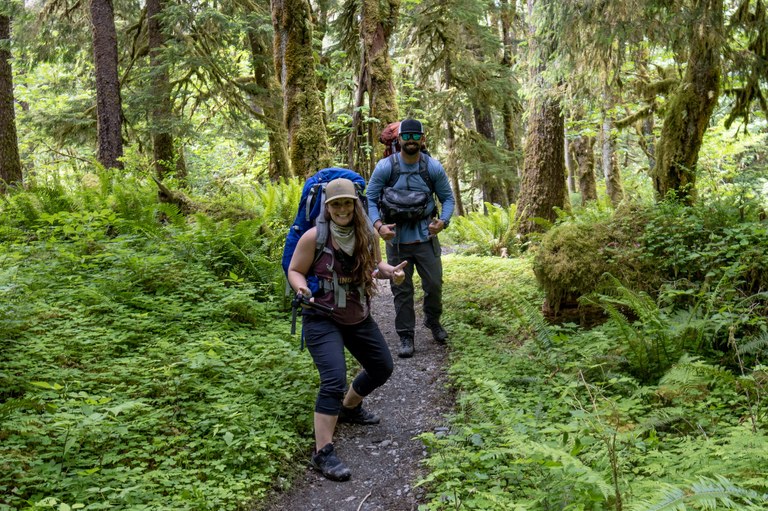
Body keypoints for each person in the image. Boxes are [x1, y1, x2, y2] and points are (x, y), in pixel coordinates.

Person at [287, 178, 407, 482]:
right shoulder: (314, 237)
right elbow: (295, 270)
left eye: (347, 203)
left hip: (356, 313)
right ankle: (322, 452)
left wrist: (389, 271)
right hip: (321, 315)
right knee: (333, 380)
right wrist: (302, 289)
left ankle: (349, 408)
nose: (342, 209)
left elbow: (374, 267)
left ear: (356, 205)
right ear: (327, 207)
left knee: (382, 367)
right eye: (335, 204)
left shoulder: (367, 235)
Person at [366, 118, 455, 358]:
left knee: (434, 284)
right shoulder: (386, 167)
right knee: (401, 290)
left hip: (426, 238)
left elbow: (448, 198)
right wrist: (378, 226)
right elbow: (370, 199)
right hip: (397, 241)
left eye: (417, 137)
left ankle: (432, 320)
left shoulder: (432, 167)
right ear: (400, 139)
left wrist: (443, 221)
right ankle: (406, 334)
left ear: (423, 139)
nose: (412, 141)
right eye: (408, 136)